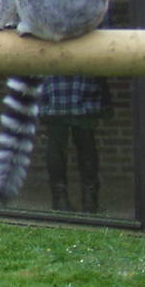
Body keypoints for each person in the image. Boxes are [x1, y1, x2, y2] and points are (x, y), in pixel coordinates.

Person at [39, 75, 107, 212]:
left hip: (55, 89)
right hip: (83, 88)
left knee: (56, 146)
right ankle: (90, 200)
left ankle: (60, 200)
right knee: (86, 144)